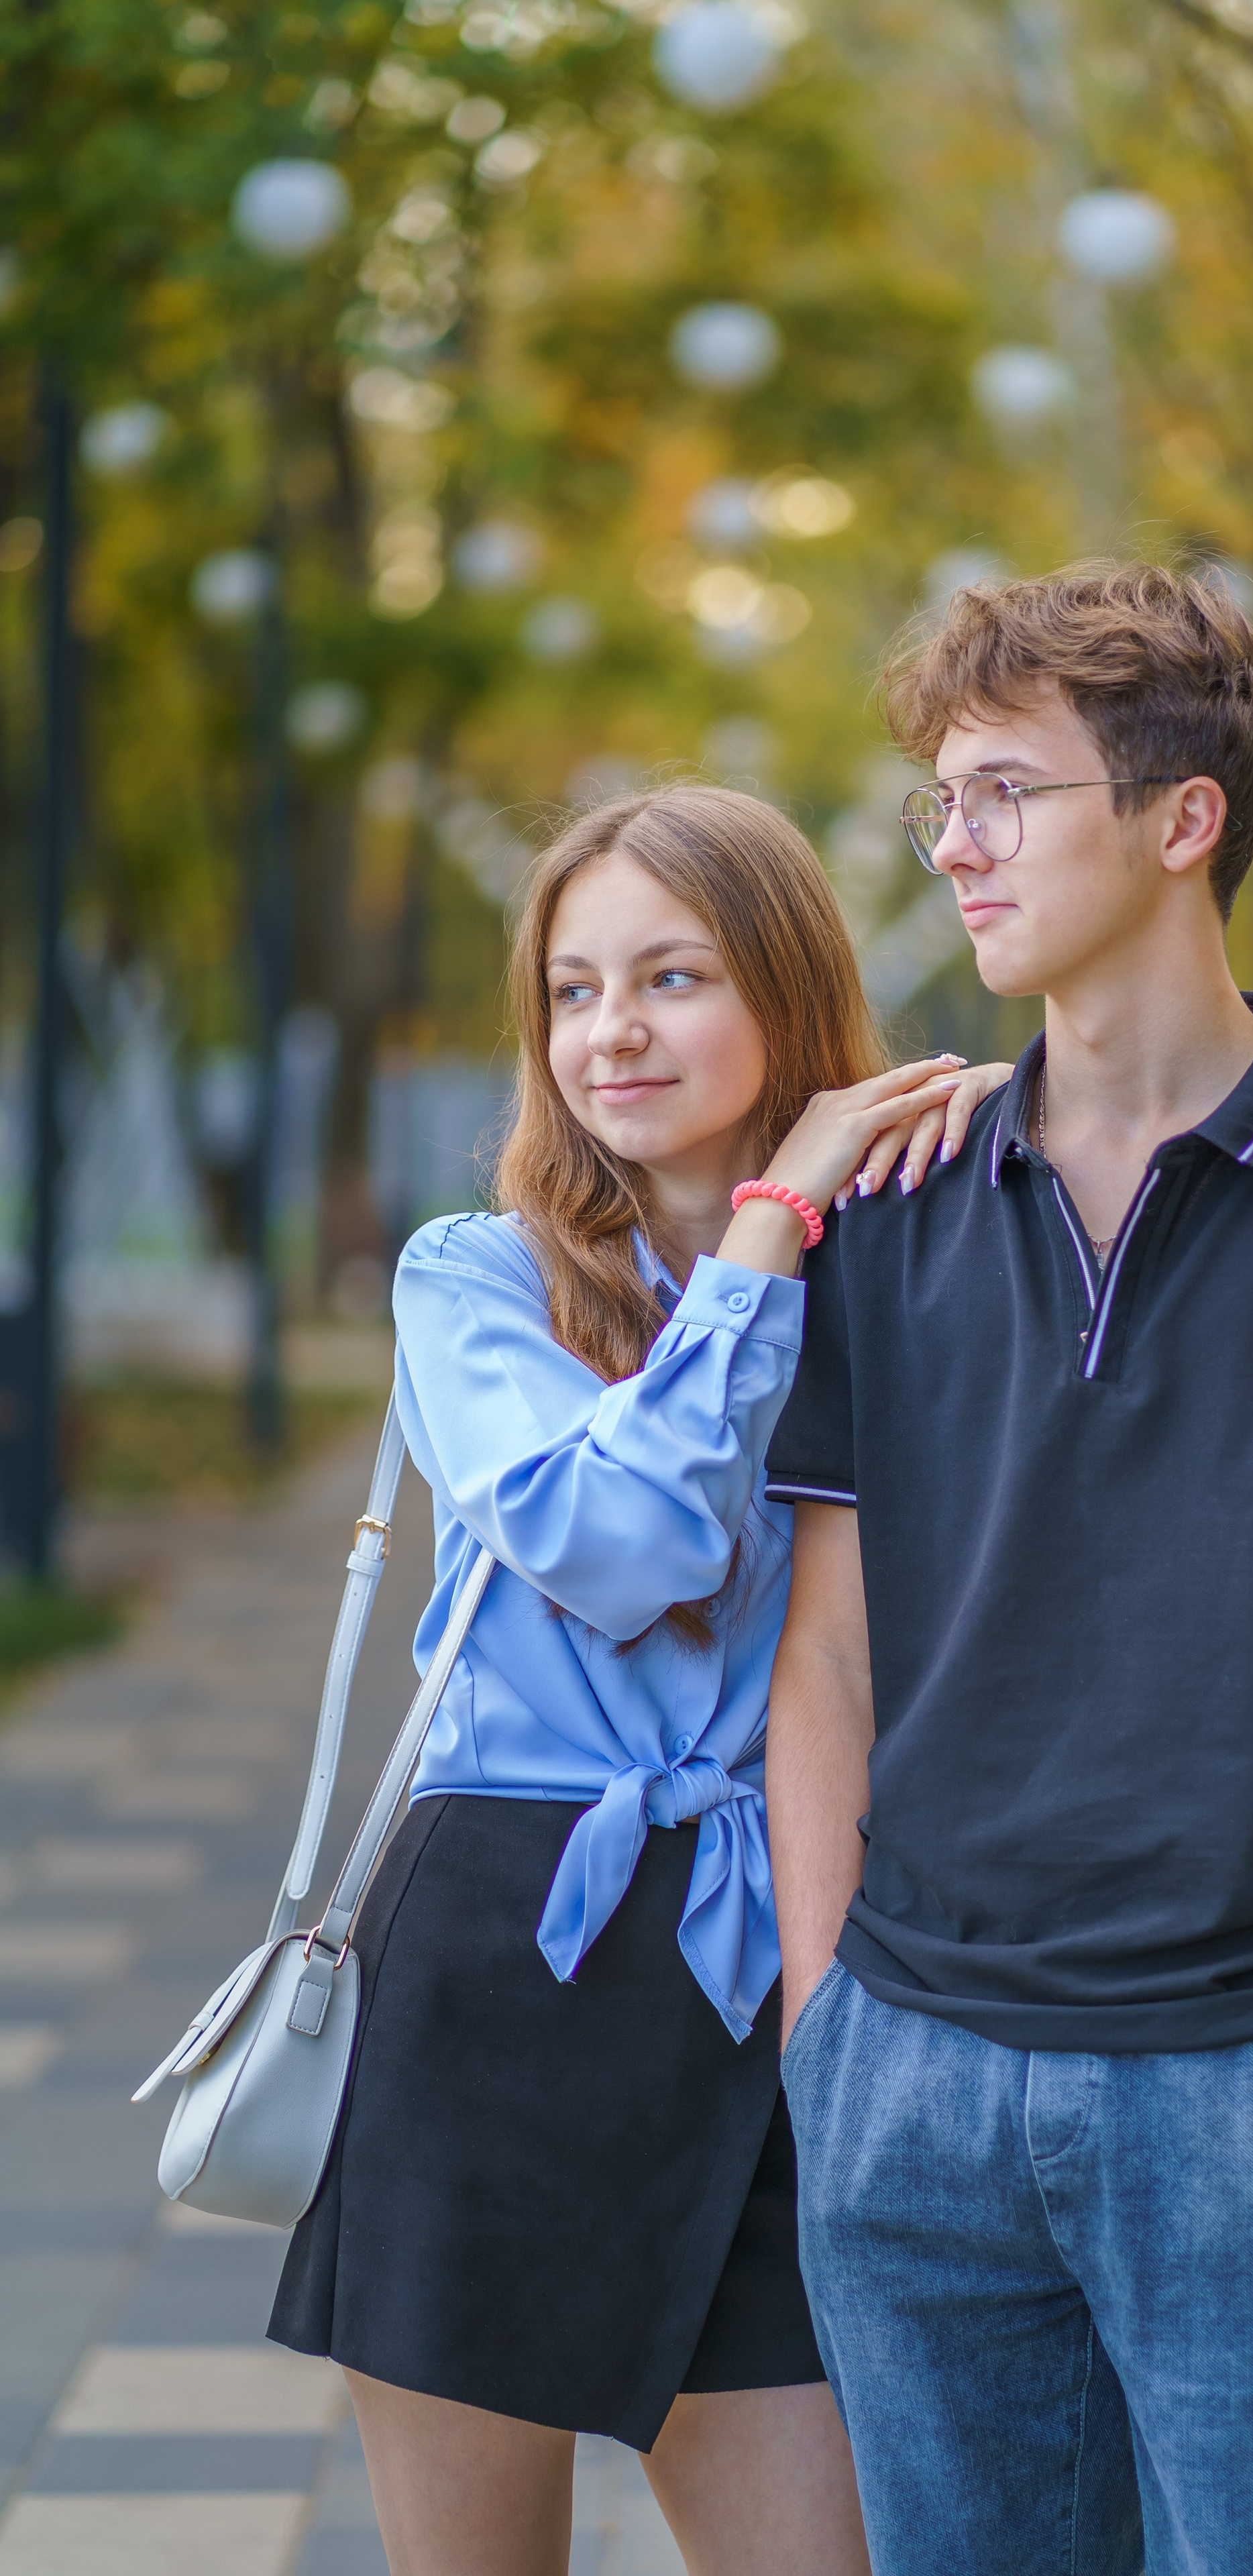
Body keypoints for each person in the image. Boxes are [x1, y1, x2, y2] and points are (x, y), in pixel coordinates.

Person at [763, 563, 1253, 2576]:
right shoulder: (897, 1199)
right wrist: (824, 2026)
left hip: (1247, 2104)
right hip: (913, 2089)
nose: (954, 845)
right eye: (942, 797)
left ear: (1182, 816)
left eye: (1005, 792)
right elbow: (828, 1654)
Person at [269, 782, 1007, 2576]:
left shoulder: (918, 1263)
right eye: (575, 989)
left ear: (782, 990)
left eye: (671, 977)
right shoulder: (476, 1280)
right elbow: (621, 1551)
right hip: (503, 1971)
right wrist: (765, 1235)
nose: (615, 1030)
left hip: (789, 1962)